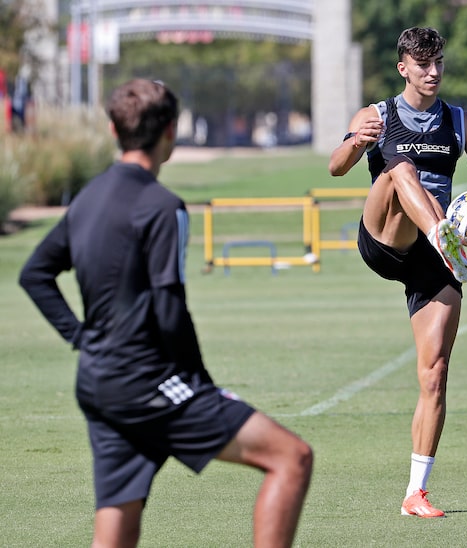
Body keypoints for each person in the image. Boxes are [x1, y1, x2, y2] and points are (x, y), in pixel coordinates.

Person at [19, 79, 313, 548]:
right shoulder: (163, 207)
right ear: (171, 133)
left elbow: (34, 274)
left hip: (98, 383)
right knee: (291, 457)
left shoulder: (86, 199)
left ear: (114, 130)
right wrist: (200, 381)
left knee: (118, 525)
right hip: (148, 384)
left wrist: (80, 338)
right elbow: (169, 307)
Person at [329, 27, 467, 518]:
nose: (433, 73)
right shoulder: (377, 115)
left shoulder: (459, 121)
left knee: (434, 375)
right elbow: (336, 166)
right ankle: (440, 233)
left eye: (439, 64)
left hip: (435, 261)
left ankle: (416, 492)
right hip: (387, 236)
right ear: (403, 68)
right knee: (400, 169)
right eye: (423, 64)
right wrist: (355, 143)